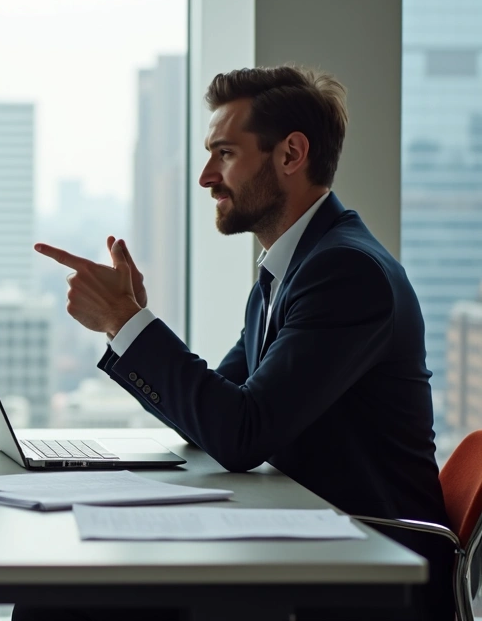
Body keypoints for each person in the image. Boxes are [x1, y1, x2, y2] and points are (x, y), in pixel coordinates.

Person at [27, 66, 453, 621]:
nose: (206, 176)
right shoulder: (290, 270)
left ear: (291, 155)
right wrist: (128, 322)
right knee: (65, 588)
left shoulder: (346, 273)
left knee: (59, 600)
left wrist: (127, 324)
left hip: (368, 576)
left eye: (225, 153)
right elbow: (221, 408)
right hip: (313, 542)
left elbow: (240, 434)